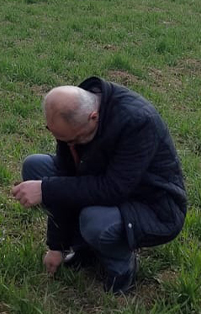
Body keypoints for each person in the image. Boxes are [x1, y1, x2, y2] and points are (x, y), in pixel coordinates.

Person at [12, 77, 187, 294]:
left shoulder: (138, 121)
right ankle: (83, 247)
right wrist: (56, 246)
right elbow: (66, 175)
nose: (69, 146)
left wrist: (45, 190)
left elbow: (113, 189)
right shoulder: (74, 115)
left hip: (152, 205)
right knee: (36, 167)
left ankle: (123, 268)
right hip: (105, 183)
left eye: (73, 140)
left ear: (93, 117)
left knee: (94, 221)